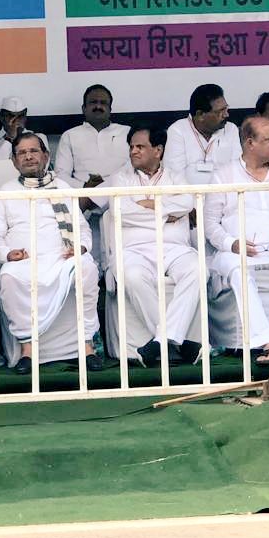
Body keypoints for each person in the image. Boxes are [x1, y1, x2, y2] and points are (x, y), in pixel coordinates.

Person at [0, 132, 101, 374]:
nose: (28, 157)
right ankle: (27, 351)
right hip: (25, 259)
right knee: (9, 276)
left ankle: (86, 347)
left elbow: (82, 229)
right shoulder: (5, 190)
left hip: (61, 257)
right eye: (22, 153)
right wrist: (8, 254)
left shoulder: (62, 187)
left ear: (46, 155)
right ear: (13, 161)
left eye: (33, 151)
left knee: (86, 267)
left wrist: (81, 248)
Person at [100, 126, 201, 367]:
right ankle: (178, 341)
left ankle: (160, 341)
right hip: (135, 249)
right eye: (131, 147)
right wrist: (167, 210)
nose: (133, 151)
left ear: (158, 150)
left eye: (140, 147)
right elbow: (121, 210)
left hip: (174, 248)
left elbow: (186, 202)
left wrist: (148, 204)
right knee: (132, 276)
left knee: (198, 270)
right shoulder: (121, 177)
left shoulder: (176, 176)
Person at [204, 116, 269, 363]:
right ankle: (266, 342)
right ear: (250, 143)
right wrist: (232, 244)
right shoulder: (223, 175)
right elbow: (210, 225)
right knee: (238, 270)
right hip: (232, 253)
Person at [55, 85, 131, 195]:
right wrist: (85, 187)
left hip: (122, 194)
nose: (98, 106)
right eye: (93, 102)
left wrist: (109, 184)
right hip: (83, 197)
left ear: (110, 109)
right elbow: (61, 175)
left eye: (103, 103)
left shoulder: (127, 132)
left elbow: (136, 166)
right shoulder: (69, 135)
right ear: (83, 108)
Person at [165, 84, 242, 185]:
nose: (226, 115)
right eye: (220, 111)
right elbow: (175, 176)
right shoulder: (178, 131)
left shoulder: (231, 129)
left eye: (226, 109)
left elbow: (237, 170)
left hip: (224, 196)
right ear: (200, 115)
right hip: (188, 197)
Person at [0, 96, 49, 162]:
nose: (16, 120)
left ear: (25, 116)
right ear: (2, 117)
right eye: (11, 116)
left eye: (20, 116)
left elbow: (43, 165)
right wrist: (10, 137)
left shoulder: (39, 137)